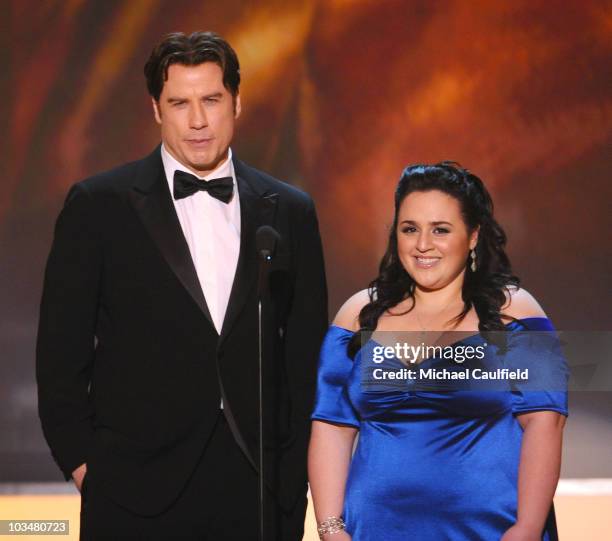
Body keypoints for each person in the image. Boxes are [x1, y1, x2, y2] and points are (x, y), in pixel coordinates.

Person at [36, 31, 327, 540]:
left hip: (258, 491)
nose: (197, 120)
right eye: (179, 103)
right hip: (133, 491)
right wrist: (87, 469)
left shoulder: (290, 211)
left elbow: (307, 360)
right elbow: (61, 357)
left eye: (211, 100)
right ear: (156, 109)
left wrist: (292, 477)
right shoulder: (99, 206)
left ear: (236, 101)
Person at [308, 162, 567, 540]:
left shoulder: (516, 311)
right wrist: (331, 529)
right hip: (374, 530)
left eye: (440, 230)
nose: (423, 244)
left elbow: (546, 422)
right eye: (409, 229)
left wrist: (526, 528)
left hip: (489, 531)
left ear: (473, 236)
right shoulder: (358, 315)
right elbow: (332, 426)